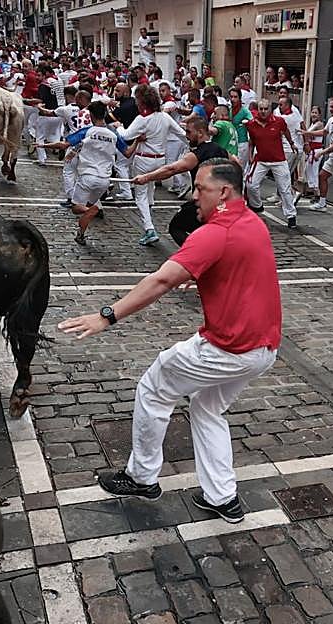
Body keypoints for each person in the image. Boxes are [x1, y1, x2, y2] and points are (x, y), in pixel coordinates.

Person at [58, 160, 280, 524]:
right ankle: (223, 498)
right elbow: (243, 265)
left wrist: (106, 316)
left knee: (154, 387)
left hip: (228, 348)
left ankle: (141, 478)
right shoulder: (253, 221)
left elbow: (161, 281)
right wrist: (206, 274)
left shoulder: (214, 232)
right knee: (208, 408)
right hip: (263, 349)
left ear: (223, 192)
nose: (194, 196)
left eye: (201, 189)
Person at [134, 115, 236, 244]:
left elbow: (172, 169)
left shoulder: (198, 154)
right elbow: (237, 163)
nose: (186, 135)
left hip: (204, 203)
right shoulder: (221, 150)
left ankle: (196, 254)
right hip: (223, 203)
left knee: (176, 226)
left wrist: (146, 177)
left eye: (189, 131)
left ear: (200, 133)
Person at [40, 102, 127, 245]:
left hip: (87, 176)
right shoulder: (114, 134)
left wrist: (44, 145)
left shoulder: (87, 131)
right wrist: (138, 141)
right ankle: (80, 234)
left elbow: (64, 145)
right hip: (105, 180)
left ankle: (90, 210)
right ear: (105, 114)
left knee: (76, 207)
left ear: (91, 116)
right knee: (92, 205)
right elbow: (128, 152)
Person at [120, 84, 189, 245]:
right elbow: (182, 134)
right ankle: (149, 217)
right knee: (150, 191)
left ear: (142, 102)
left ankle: (149, 228)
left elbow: (126, 135)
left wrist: (119, 128)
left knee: (141, 195)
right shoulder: (164, 117)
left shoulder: (142, 119)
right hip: (160, 160)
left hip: (144, 159)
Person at [243, 98, 298, 228]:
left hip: (278, 160)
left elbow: (286, 132)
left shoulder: (279, 121)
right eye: (261, 109)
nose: (263, 111)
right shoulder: (251, 124)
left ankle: (291, 215)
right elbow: (252, 142)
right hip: (261, 159)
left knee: (284, 188)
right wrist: (250, 156)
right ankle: (257, 206)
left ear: (270, 110)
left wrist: (292, 144)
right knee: (250, 184)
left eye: (265, 109)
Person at [273, 91, 305, 198]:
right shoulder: (295, 113)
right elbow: (302, 125)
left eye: (281, 105)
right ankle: (281, 196)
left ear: (287, 105)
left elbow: (278, 132)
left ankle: (294, 193)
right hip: (297, 149)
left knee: (282, 175)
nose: (279, 107)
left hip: (289, 150)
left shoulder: (285, 118)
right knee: (285, 174)